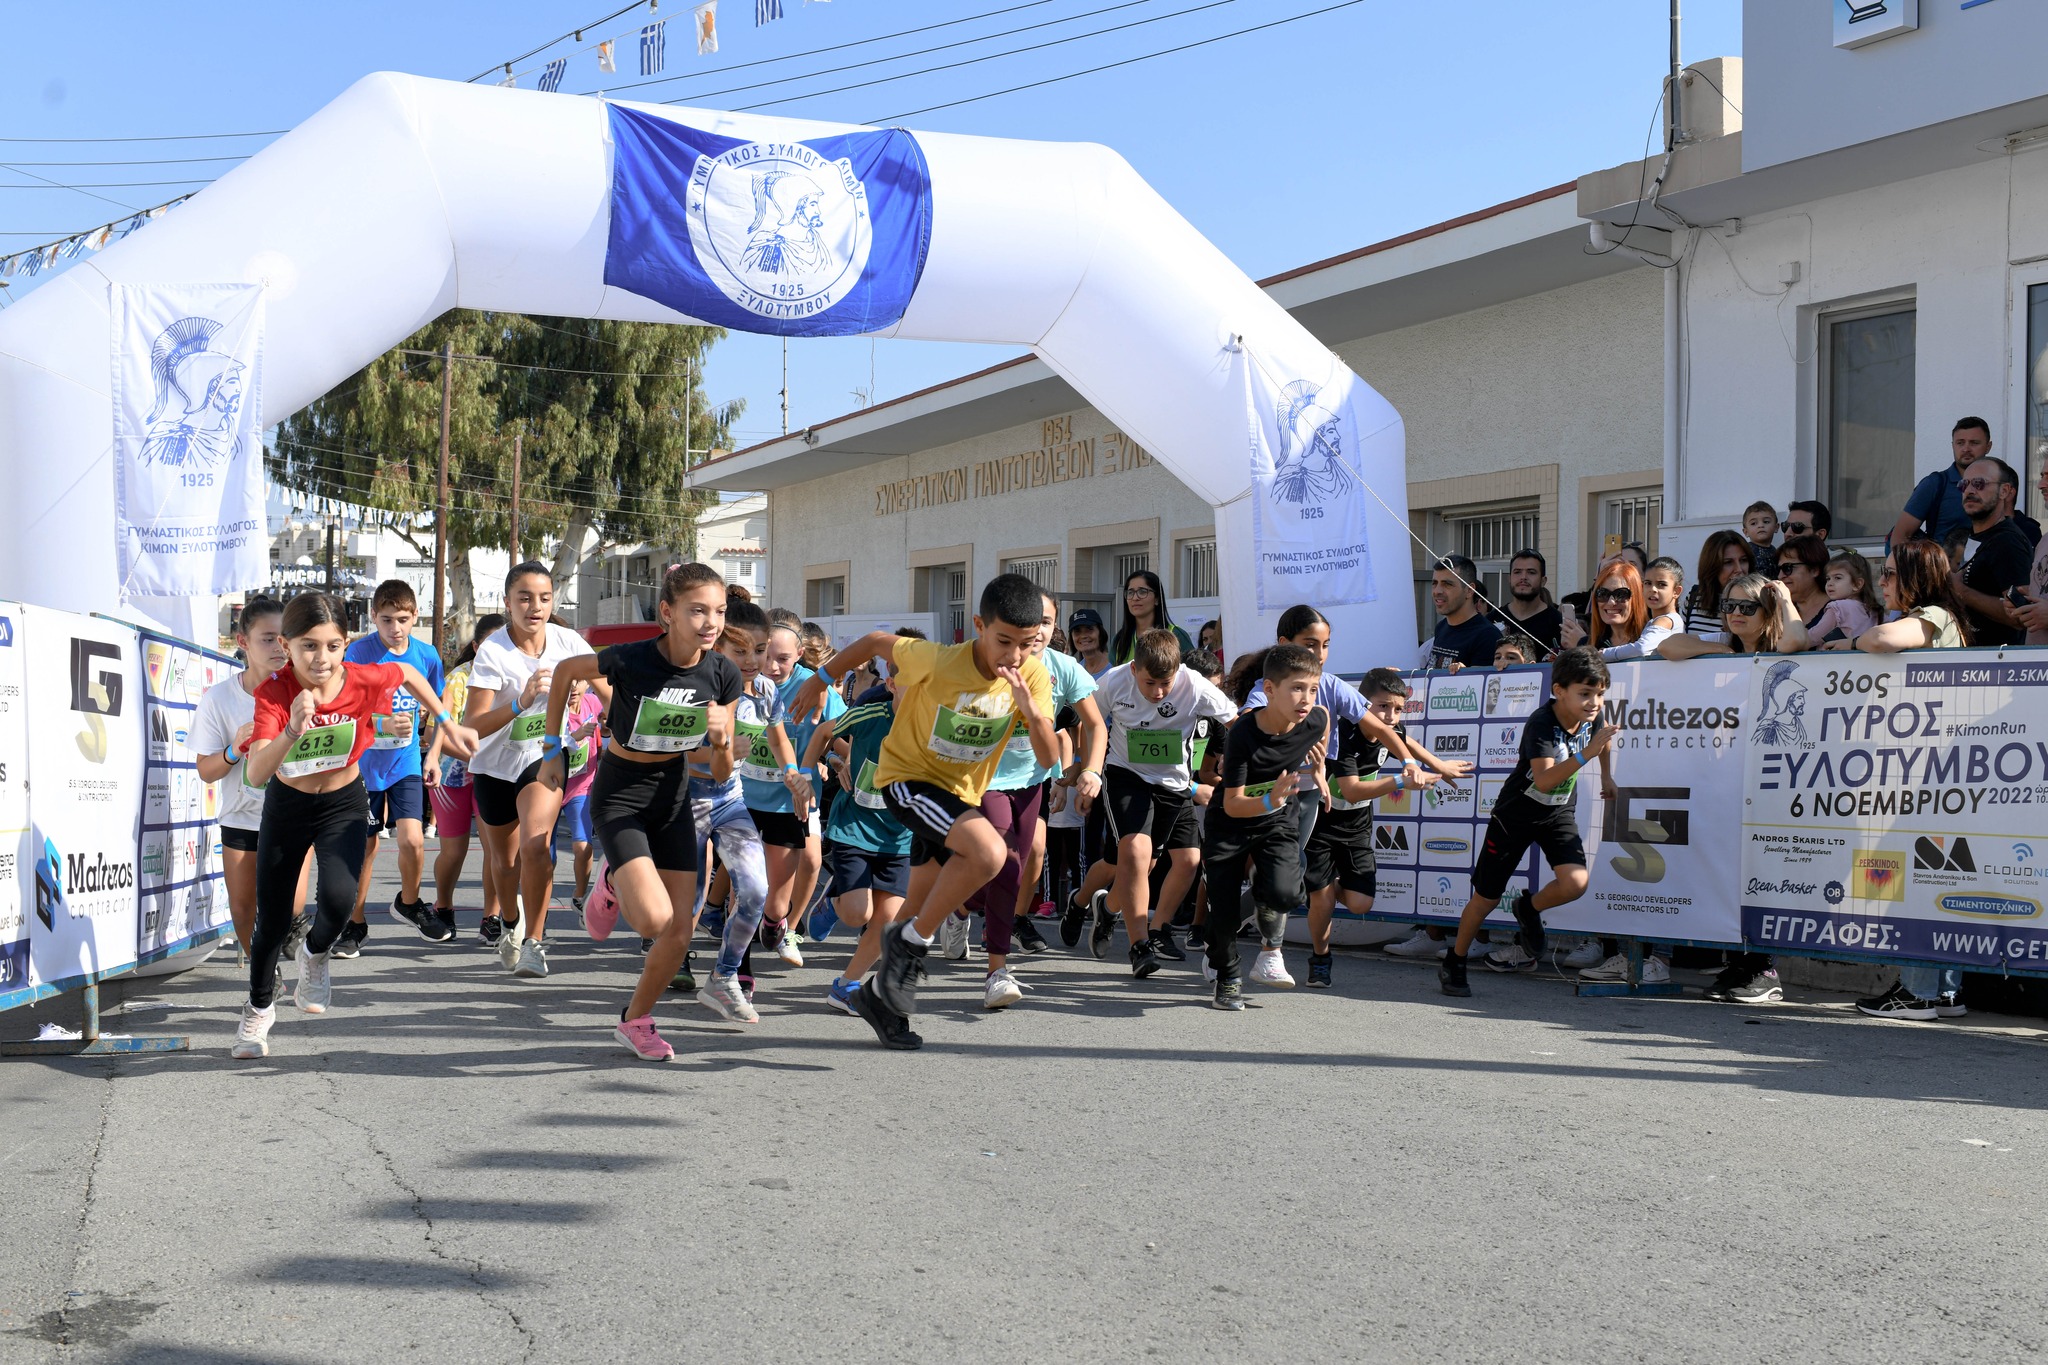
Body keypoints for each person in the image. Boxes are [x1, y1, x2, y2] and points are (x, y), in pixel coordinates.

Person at [789, 573, 1057, 1050]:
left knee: (917, 903)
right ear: (978, 625)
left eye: (1026, 644)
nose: (1013, 656)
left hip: (959, 796)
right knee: (991, 855)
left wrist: (1031, 711)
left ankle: (877, 997)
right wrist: (820, 679)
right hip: (909, 782)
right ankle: (912, 946)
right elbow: (873, 641)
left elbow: (1047, 758)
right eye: (1003, 641)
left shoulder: (1031, 675)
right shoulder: (935, 659)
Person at [231, 593, 478, 1059]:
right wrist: (290, 732)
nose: (320, 659)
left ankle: (315, 954)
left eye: (331, 646)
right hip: (289, 804)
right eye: (308, 646)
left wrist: (447, 722)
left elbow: (407, 672)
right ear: (286, 645)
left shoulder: (361, 678)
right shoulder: (276, 692)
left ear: (345, 644)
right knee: (274, 918)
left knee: (342, 900)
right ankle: (259, 1007)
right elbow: (256, 774)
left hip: (343, 800)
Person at [542, 564, 741, 1061]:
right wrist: (552, 749)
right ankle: (611, 884)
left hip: (674, 795)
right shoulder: (631, 660)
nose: (710, 622)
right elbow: (568, 671)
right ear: (668, 612)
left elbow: (720, 771)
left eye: (718, 611)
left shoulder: (723, 674)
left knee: (679, 931)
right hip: (621, 793)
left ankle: (635, 1021)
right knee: (653, 918)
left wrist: (720, 741)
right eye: (697, 610)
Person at [1439, 648, 1617, 997]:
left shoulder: (1591, 713)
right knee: (1486, 898)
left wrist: (1607, 777)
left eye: (1599, 693)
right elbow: (1546, 779)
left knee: (1576, 883)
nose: (1594, 702)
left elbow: (1603, 739)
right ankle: (1455, 959)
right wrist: (1587, 754)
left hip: (1557, 814)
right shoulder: (1541, 723)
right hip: (1515, 815)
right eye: (1585, 693)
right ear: (1559, 690)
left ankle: (1527, 907)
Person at [961, 589, 1104, 1007]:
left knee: (1017, 866)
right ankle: (996, 969)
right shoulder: (982, 661)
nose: (1037, 630)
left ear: (1054, 626)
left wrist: (1087, 772)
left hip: (1030, 779)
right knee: (1004, 862)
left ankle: (964, 909)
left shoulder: (1063, 669)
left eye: (1045, 622)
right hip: (981, 778)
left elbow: (1093, 725)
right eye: (1030, 622)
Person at [463, 563, 596, 978]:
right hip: (493, 767)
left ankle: (536, 941)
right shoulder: (493, 651)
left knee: (537, 846)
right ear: (507, 603)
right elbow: (472, 726)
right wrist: (520, 703)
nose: (534, 606)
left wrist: (583, 685)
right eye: (524, 597)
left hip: (546, 757)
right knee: (504, 864)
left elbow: (603, 682)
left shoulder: (568, 640)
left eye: (543, 598)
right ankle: (508, 923)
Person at [1087, 627, 1234, 980]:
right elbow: (1090, 722)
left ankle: (1111, 911)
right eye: (1150, 682)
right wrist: (1087, 769)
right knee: (1136, 852)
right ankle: (1140, 945)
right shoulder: (1113, 681)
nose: (1158, 692)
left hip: (1173, 782)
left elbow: (1235, 721)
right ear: (1135, 668)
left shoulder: (1195, 685)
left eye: (1165, 683)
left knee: (1182, 860)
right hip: (1126, 774)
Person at [688, 599, 810, 1017]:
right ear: (716, 647)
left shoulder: (765, 690)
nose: (753, 660)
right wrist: (716, 751)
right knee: (686, 905)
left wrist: (792, 773)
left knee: (756, 890)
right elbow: (669, 754)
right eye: (740, 650)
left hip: (729, 801)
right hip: (683, 803)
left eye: (759, 650)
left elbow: (778, 739)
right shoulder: (696, 689)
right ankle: (617, 883)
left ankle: (725, 976)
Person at [1201, 645, 1328, 1009]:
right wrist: (1272, 797)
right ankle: (1228, 977)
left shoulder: (1314, 718)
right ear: (1269, 690)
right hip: (1231, 822)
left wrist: (1318, 769)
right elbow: (1233, 803)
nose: (1306, 699)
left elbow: (1323, 721)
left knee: (1287, 894)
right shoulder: (1243, 733)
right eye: (1297, 688)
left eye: (1313, 688)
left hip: (1275, 821)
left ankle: (1264, 886)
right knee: (1222, 917)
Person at [809, 635, 921, 1020]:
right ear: (891, 684)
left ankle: (846, 986)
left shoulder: (928, 727)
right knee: (857, 915)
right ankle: (835, 896)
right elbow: (825, 733)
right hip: (854, 825)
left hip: (900, 836)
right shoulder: (870, 713)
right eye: (912, 681)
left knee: (887, 921)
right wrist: (819, 769)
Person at [192, 597, 306, 966]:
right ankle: (263, 974)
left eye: (284, 639)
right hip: (241, 815)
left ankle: (288, 947)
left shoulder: (303, 691)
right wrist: (234, 749)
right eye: (268, 638)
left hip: (294, 812)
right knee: (243, 909)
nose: (279, 648)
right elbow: (206, 771)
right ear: (243, 642)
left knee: (291, 905)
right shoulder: (220, 698)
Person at [1304, 669, 1435, 989]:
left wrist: (1440, 765)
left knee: (1360, 903)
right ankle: (1320, 958)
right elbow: (1350, 791)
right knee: (1322, 902)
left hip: (1358, 826)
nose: (1391, 716)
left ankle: (1322, 888)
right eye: (1383, 707)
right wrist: (1402, 780)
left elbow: (1407, 742)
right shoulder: (1343, 732)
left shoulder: (1390, 730)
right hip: (1322, 822)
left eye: (1398, 709)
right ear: (1363, 704)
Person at [343, 580, 447, 952]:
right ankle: (354, 924)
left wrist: (433, 754)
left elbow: (440, 712)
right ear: (373, 616)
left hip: (405, 762)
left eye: (403, 619)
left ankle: (409, 901)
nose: (395, 628)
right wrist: (380, 723)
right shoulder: (357, 653)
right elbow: (342, 711)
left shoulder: (427, 655)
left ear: (415, 615)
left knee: (413, 840)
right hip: (363, 765)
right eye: (386, 619)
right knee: (365, 848)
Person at [744, 619, 842, 968]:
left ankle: (789, 927)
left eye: (782, 659)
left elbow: (841, 731)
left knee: (813, 860)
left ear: (800, 656)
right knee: (745, 874)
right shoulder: (746, 681)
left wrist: (833, 756)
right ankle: (735, 951)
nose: (771, 666)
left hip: (797, 797)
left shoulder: (814, 688)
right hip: (745, 794)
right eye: (766, 656)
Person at [428, 614, 504, 938]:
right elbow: (437, 734)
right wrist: (476, 756)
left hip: (494, 774)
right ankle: (443, 906)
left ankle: (492, 918)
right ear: (476, 646)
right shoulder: (458, 680)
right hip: (452, 778)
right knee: (454, 851)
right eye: (491, 645)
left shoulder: (513, 677)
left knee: (496, 849)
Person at [1946, 456, 2030, 647]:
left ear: (2004, 491)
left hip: (1996, 664)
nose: (1969, 490)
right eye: (1963, 484)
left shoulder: (2008, 542)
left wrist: (1962, 592)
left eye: (1979, 483)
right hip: (1967, 662)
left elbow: (2020, 617)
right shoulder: (1966, 537)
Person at [1850, 540, 1971, 652]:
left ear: (1918, 579)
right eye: (1883, 572)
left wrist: (1853, 644)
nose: (1881, 581)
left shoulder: (1936, 614)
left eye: (1890, 573)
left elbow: (1879, 638)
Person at [1894, 417, 1993, 549]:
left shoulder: (1997, 485)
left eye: (1974, 443)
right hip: (1942, 568)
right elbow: (1900, 537)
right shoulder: (1934, 484)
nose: (1966, 449)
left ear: (1988, 446)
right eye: (1960, 443)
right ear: (1952, 445)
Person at [1659, 575, 1810, 660]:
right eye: (1729, 605)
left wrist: (1785, 601)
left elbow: (1794, 642)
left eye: (1747, 607)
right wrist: (1720, 649)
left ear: (1767, 611)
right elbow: (1667, 646)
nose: (1736, 612)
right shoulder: (1726, 640)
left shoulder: (1783, 639)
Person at [555, 677, 605, 913]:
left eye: (580, 680)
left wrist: (606, 725)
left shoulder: (593, 703)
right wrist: (574, 736)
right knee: (545, 854)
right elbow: (541, 744)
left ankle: (579, 895)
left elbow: (605, 729)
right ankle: (539, 905)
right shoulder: (551, 706)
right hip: (550, 788)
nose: (573, 686)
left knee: (583, 847)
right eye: (569, 680)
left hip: (581, 787)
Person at [1420, 555, 1504, 669]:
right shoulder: (1442, 627)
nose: (1437, 591)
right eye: (1435, 583)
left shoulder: (1487, 636)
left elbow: (1480, 683)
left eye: (1447, 584)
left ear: (1469, 590)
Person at [1109, 568, 1194, 666]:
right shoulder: (1119, 640)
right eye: (1130, 593)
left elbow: (1192, 674)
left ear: (1157, 599)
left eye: (1142, 592)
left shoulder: (1176, 634)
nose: (1135, 598)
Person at [1681, 531, 1754, 638]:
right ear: (1711, 566)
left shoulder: (1758, 601)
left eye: (1743, 560)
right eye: (1728, 562)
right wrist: (1719, 647)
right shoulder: (1693, 597)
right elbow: (1677, 644)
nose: (1739, 569)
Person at [1496, 548, 1562, 659]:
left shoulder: (1559, 623)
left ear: (1543, 581)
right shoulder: (1492, 620)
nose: (1523, 577)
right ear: (1509, 578)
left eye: (1531, 572)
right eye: (1517, 572)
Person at [1810, 552, 1882, 646]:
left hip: (1839, 660)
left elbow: (1813, 637)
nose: (1830, 583)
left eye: (1837, 578)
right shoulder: (1876, 611)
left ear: (1857, 584)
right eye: (1828, 578)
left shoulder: (1838, 608)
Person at [2014, 458, 2048, 646]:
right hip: (2036, 670)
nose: (2041, 485)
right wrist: (2024, 605)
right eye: (2042, 476)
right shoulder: (2044, 541)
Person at [1774, 535, 1833, 633]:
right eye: (1778, 569)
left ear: (1814, 570)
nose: (1780, 576)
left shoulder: (1840, 610)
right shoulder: (1777, 611)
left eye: (1787, 568)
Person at [1741, 501, 1781, 579]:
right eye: (1753, 523)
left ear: (1776, 527)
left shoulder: (1776, 552)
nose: (1761, 525)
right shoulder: (1746, 552)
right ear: (1746, 532)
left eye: (1766, 522)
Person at [1068, 608, 1111, 678]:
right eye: (1077, 631)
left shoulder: (1116, 666)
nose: (1083, 636)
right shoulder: (1075, 672)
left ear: (1100, 633)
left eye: (1089, 629)